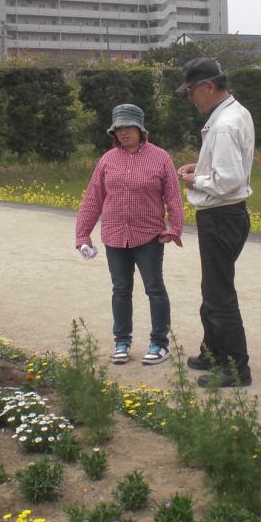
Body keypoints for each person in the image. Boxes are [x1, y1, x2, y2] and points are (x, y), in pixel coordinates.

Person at [75, 104, 184, 366]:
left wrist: (175, 228)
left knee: (154, 288)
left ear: (140, 129)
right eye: (118, 129)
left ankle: (159, 343)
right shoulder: (107, 160)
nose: (123, 133)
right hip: (114, 235)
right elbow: (93, 198)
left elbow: (173, 196)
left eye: (128, 127)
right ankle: (122, 341)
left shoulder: (160, 157)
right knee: (120, 289)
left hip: (148, 235)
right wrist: (82, 236)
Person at [175, 58, 255, 387]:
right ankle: (214, 351)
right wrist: (203, 164)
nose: (191, 98)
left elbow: (228, 180)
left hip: (221, 214)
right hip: (228, 214)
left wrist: (195, 181)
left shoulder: (223, 124)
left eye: (192, 91)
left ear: (209, 86)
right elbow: (229, 165)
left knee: (219, 292)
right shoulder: (235, 113)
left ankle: (235, 367)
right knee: (214, 287)